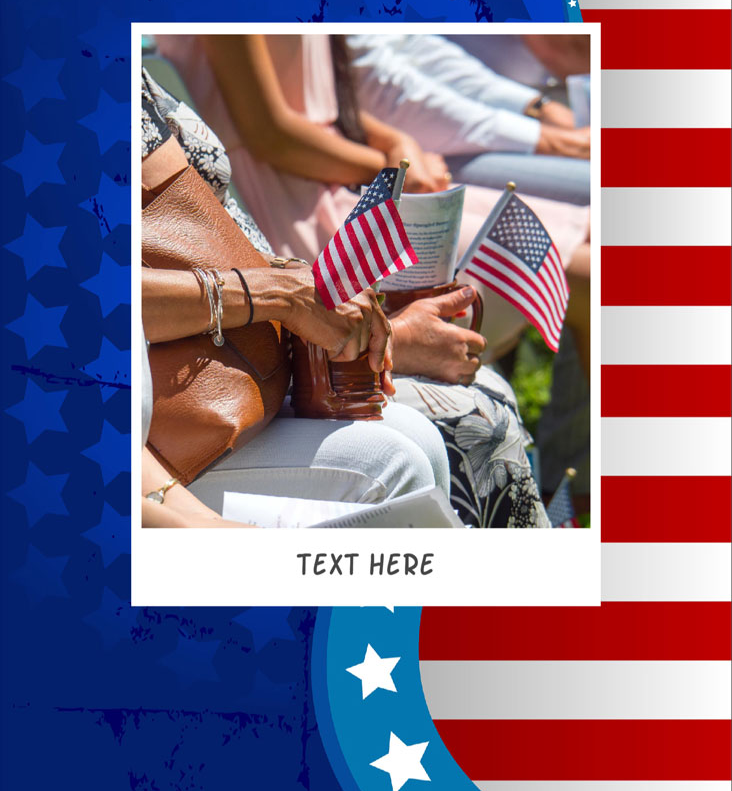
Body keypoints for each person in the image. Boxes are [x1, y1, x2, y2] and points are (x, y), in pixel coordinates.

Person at [141, 66, 550, 528]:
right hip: (180, 412)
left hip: (256, 359)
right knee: (432, 440)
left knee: (453, 418)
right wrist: (288, 297)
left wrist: (326, 304)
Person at [156, 32, 590, 376]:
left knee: (589, 240)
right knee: (589, 276)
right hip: (296, 206)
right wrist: (387, 167)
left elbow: (324, 101)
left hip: (336, 175)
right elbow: (273, 136)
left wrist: (396, 141)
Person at [347, 32, 591, 205]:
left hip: (438, 132)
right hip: (401, 153)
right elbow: (380, 90)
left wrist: (536, 108)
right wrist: (553, 140)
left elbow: (413, 46)